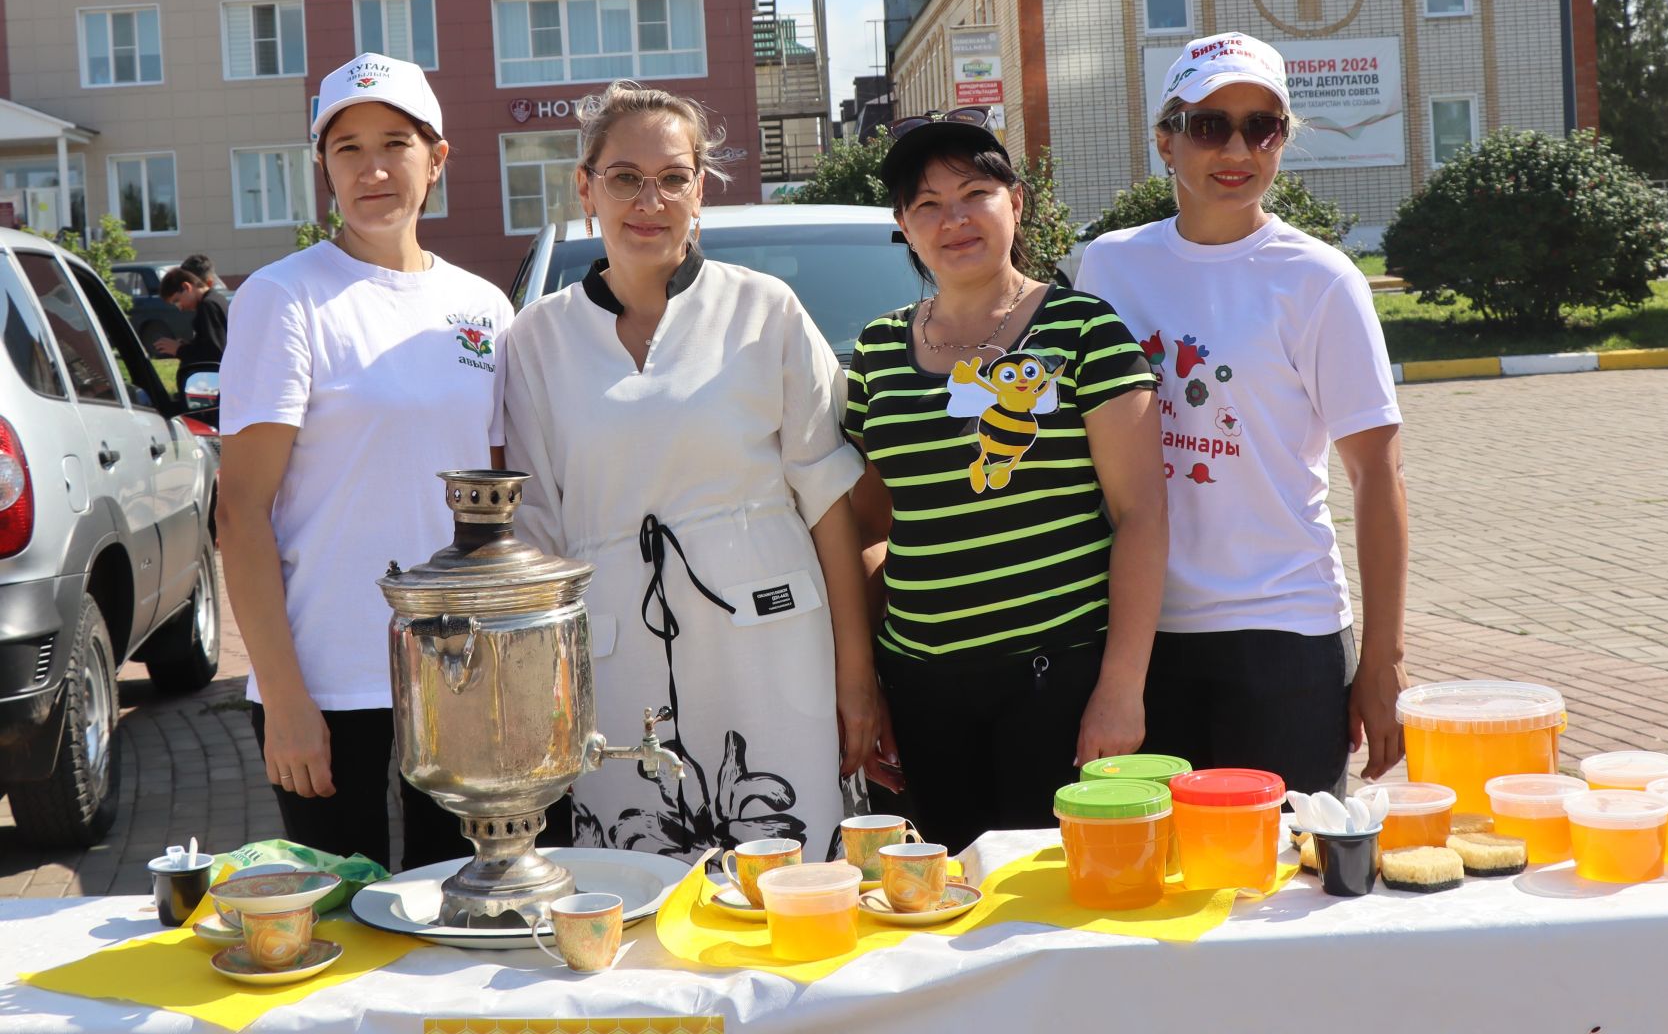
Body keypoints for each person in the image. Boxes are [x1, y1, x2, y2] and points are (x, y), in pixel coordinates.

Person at [501, 81, 877, 863]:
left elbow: (827, 506)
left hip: (774, 649)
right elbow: (534, 534)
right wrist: (543, 702)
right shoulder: (537, 339)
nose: (651, 199)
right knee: (642, 890)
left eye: (673, 177)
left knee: (792, 881)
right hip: (615, 668)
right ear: (586, 187)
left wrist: (856, 672)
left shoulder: (765, 310)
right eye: (625, 177)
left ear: (699, 189)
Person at [1075, 32, 1410, 798]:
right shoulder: (1110, 266)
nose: (1237, 147)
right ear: (1165, 140)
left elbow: (1377, 475)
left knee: (1281, 888)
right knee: (1153, 883)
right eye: (1209, 124)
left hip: (1283, 634)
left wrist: (1384, 659)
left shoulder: (1319, 281)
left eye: (1262, 126)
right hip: (1140, 639)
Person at [217, 54, 514, 871]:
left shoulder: (483, 307)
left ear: (438, 158)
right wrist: (283, 698)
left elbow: (495, 496)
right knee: (338, 924)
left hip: (459, 671)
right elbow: (239, 513)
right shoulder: (284, 297)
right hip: (329, 680)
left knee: (455, 910)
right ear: (323, 168)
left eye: (396, 143)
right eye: (347, 148)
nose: (373, 168)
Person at [846, 108, 1166, 853]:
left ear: (1014, 202)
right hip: (922, 690)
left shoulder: (1086, 330)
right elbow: (866, 526)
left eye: (973, 194)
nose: (953, 220)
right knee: (943, 900)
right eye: (927, 205)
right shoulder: (876, 351)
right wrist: (872, 678)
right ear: (904, 223)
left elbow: (1143, 515)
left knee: (1052, 901)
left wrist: (1121, 689)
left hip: (1055, 683)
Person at [155, 264, 227, 374]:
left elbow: (214, 353)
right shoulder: (216, 298)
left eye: (176, 301)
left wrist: (179, 349)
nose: (180, 307)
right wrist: (188, 346)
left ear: (186, 287)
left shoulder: (208, 305)